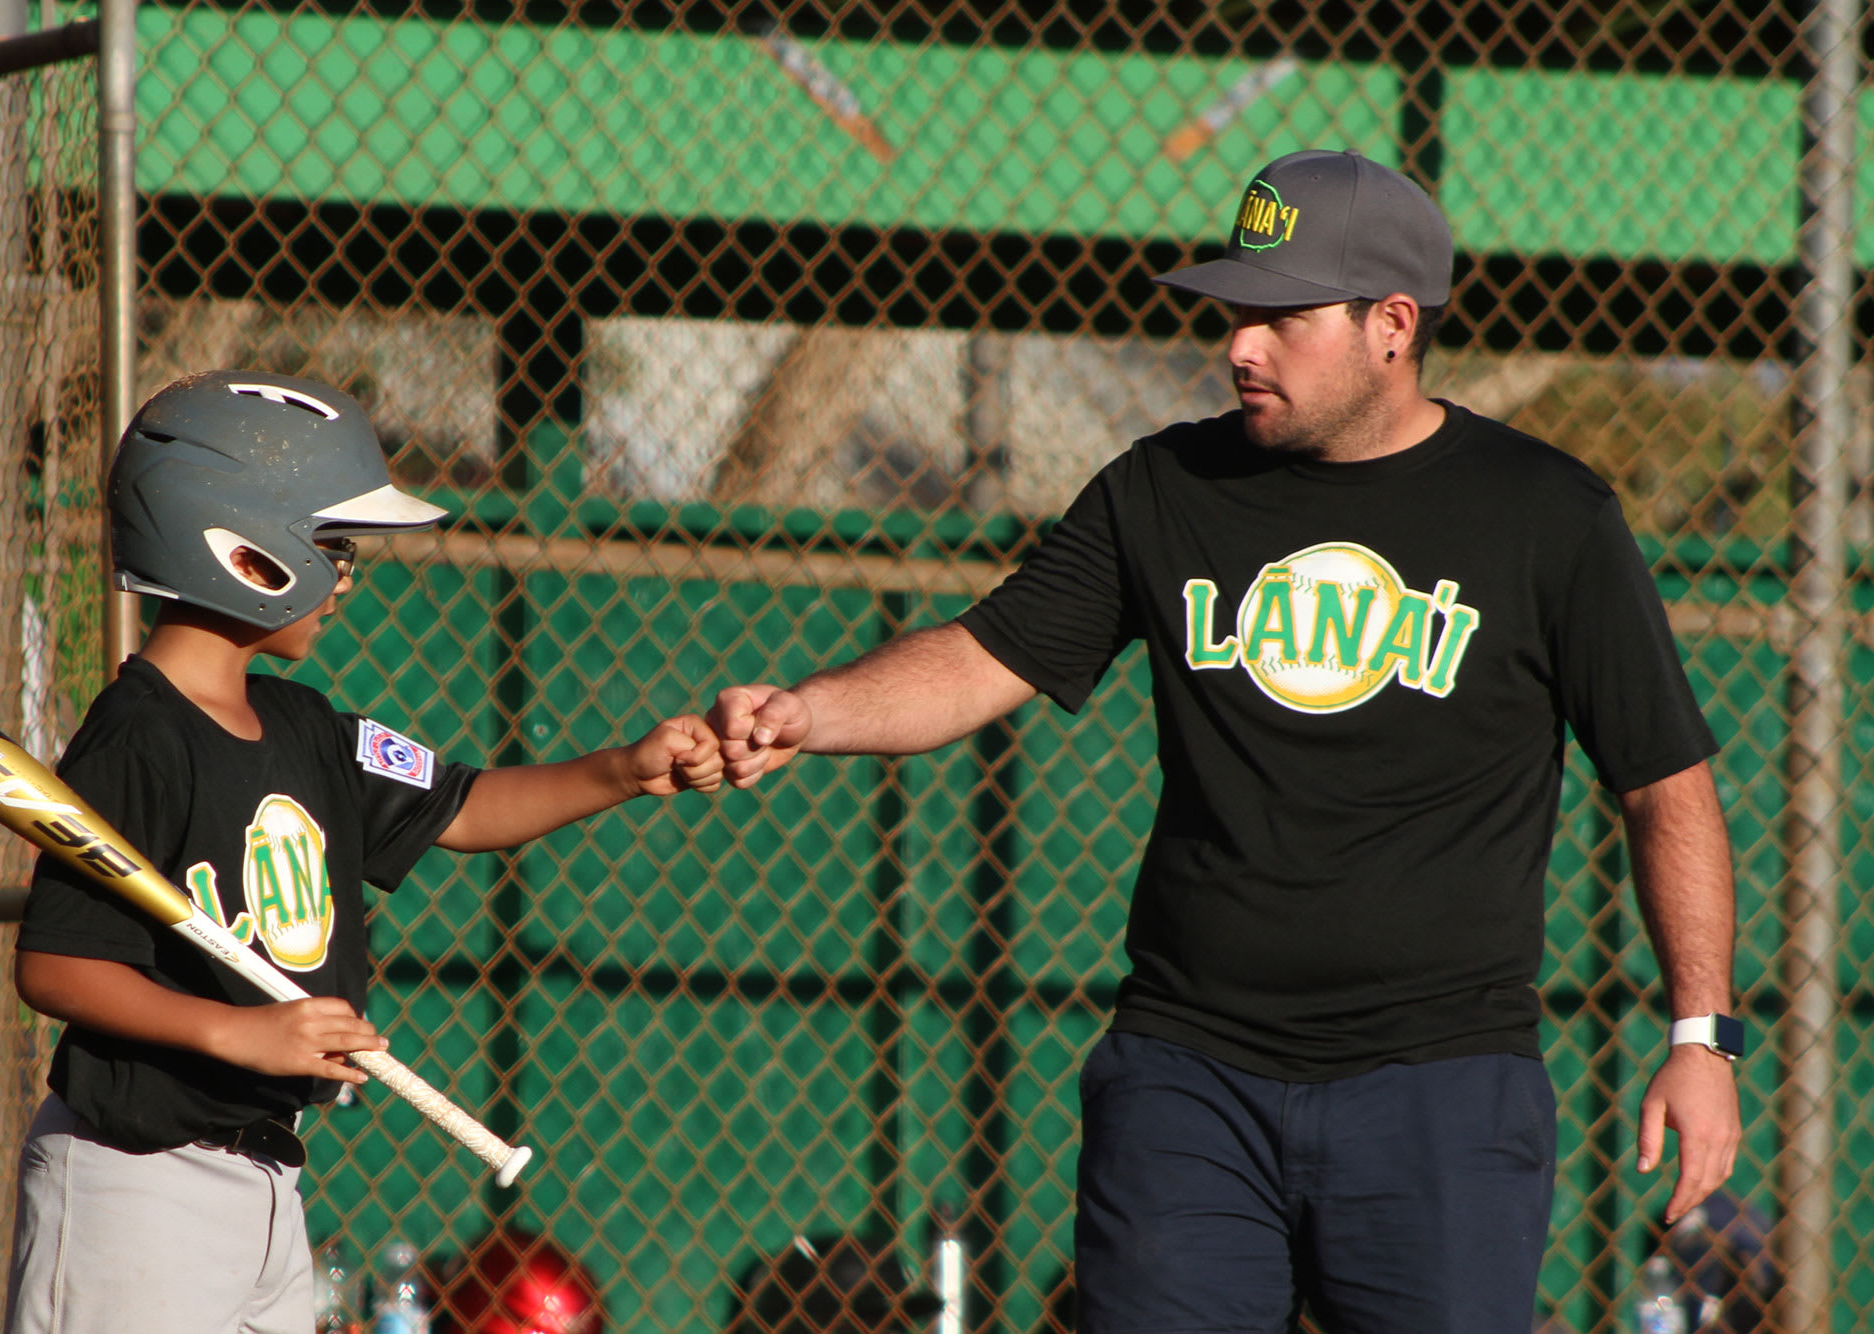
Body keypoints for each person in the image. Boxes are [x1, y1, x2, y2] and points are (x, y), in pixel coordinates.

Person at [709, 149, 1743, 1333]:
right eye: (1235, 313)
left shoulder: (1542, 516)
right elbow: (979, 654)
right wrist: (808, 711)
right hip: (1188, 1076)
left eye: (1279, 317)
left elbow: (1665, 786)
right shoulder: (1165, 487)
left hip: (1438, 1087)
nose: (1239, 346)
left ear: (1390, 324)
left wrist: (1697, 1035)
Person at [4, 370, 722, 1334]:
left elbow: (463, 805)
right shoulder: (140, 738)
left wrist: (622, 771)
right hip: (136, 1180)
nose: (347, 576)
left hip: (268, 1185)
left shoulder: (308, 727)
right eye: (332, 546)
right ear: (241, 546)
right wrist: (240, 1033)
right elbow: (59, 965)